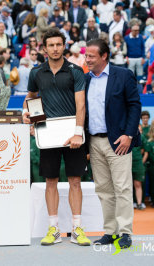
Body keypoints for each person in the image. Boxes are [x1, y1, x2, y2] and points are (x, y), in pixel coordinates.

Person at [22, 29, 91, 246]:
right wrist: (30, 117)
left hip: (73, 136)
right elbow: (31, 98)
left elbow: (81, 104)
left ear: (64, 46)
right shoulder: (36, 72)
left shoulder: (75, 71)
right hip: (47, 134)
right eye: (51, 45)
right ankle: (53, 229)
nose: (55, 48)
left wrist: (78, 133)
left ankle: (77, 228)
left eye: (59, 45)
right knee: (50, 181)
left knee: (75, 181)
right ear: (44, 48)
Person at [85, 38, 141, 248]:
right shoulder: (85, 79)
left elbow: (135, 106)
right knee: (104, 190)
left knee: (122, 188)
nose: (87, 59)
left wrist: (129, 134)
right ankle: (110, 231)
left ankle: (125, 232)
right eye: (86, 55)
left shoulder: (124, 75)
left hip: (119, 141)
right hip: (94, 142)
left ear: (104, 56)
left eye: (91, 56)